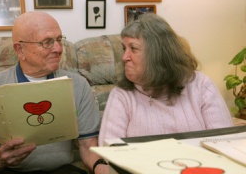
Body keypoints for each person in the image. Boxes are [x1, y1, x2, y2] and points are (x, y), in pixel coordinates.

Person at [0, 11, 107, 174]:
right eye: (47, 42)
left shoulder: (77, 85)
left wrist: (101, 168)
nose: (58, 49)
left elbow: (87, 147)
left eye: (59, 40)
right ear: (20, 49)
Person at [98, 13, 233, 146]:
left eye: (133, 48)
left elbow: (225, 143)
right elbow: (109, 154)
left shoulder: (202, 86)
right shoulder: (121, 95)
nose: (124, 57)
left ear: (156, 54)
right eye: (124, 48)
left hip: (202, 166)